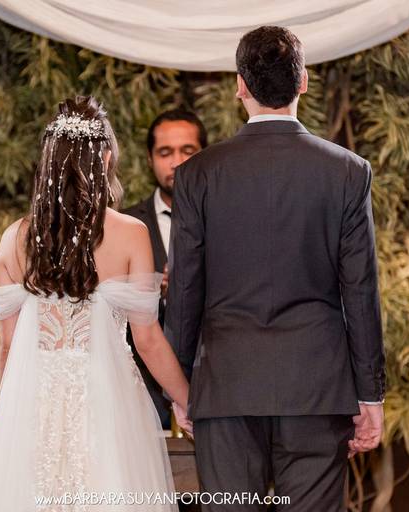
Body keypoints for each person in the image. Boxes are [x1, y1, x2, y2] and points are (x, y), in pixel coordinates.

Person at [165, 26, 386, 511]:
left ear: (240, 86)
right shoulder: (347, 171)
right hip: (317, 389)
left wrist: (180, 388)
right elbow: (360, 291)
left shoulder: (198, 174)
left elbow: (184, 291)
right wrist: (370, 395)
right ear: (303, 82)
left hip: (226, 386)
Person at [0, 96, 192, 511]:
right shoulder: (131, 233)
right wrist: (187, 400)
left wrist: (10, 416)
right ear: (105, 158)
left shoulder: (14, 239)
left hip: (34, 407)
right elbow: (147, 340)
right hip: (106, 405)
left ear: (49, 162)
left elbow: (8, 346)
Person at [122, 109, 208, 429]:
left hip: (215, 387)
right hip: (142, 395)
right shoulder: (125, 224)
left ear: (205, 155)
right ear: (150, 159)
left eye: (188, 150)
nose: (176, 162)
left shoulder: (229, 220)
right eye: (165, 152)